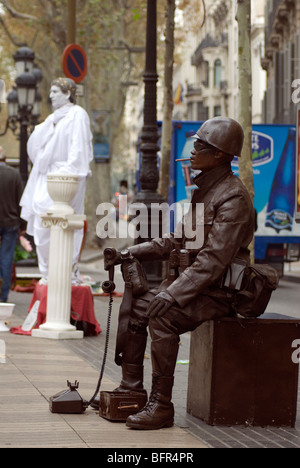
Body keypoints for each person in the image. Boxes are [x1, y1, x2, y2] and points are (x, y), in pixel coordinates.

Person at [101, 116, 255, 430]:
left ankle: (161, 405)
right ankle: (132, 390)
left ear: (220, 156)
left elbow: (214, 260)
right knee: (137, 309)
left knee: (161, 315)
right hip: (194, 287)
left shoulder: (233, 198)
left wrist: (172, 294)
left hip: (220, 292)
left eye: (202, 145)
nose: (194, 148)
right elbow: (175, 240)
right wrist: (129, 252)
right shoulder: (206, 191)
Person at [20, 77, 93, 282]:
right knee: (43, 222)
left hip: (66, 178)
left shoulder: (77, 114)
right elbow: (36, 146)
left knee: (65, 223)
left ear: (68, 94)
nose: (50, 95)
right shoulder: (52, 118)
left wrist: (69, 172)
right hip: (47, 175)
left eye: (55, 92)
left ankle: (65, 272)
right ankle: (47, 272)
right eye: (50, 91)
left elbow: (78, 147)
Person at [0, 147, 25, 302]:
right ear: (5, 158)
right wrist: (23, 226)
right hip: (11, 222)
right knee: (6, 258)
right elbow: (21, 201)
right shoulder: (14, 174)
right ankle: (3, 296)